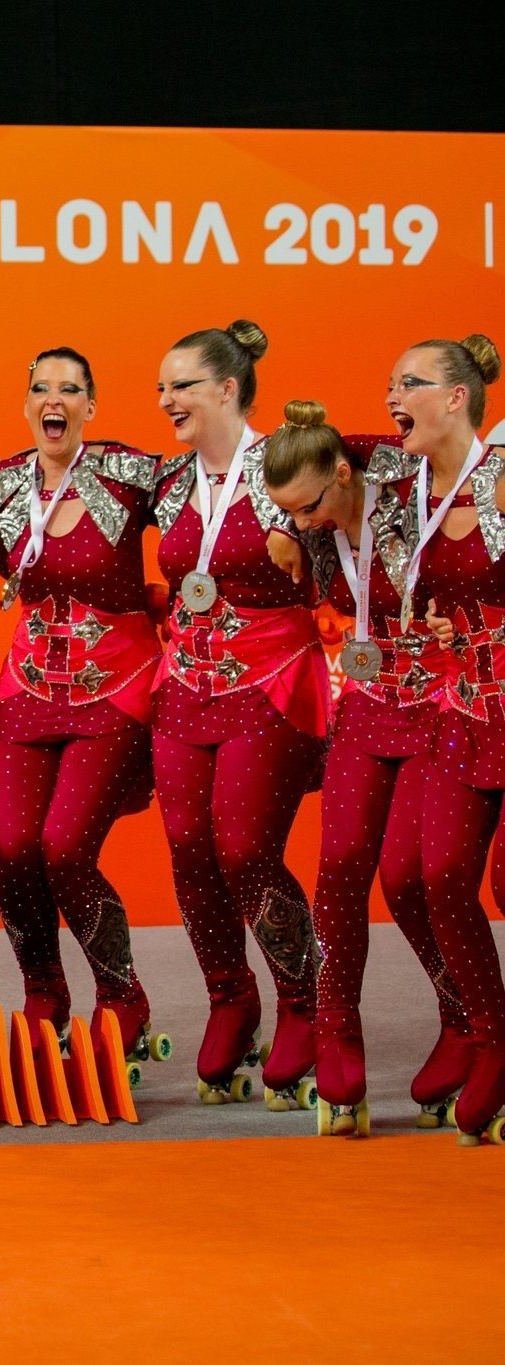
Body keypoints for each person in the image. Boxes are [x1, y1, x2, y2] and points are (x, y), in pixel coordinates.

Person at [264, 399, 467, 1135]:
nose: (309, 521)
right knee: (341, 862)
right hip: (367, 699)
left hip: (438, 699)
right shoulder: (310, 514)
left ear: (346, 473)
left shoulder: (402, 482)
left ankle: (464, 1019)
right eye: (295, 512)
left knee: (409, 876)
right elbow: (278, 487)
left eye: (313, 505)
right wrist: (283, 523)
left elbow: (425, 452)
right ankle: (335, 1030)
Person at [150, 321, 326, 1108]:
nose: (166, 399)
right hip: (184, 684)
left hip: (269, 679)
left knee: (245, 844)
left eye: (182, 384)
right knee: (189, 847)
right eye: (161, 387)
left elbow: (349, 540)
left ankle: (305, 1001)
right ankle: (231, 997)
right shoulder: (166, 480)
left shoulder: (287, 462)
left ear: (228, 388)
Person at [0, 348, 161, 1062]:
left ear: (92, 404)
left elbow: (211, 505)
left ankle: (122, 995)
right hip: (28, 688)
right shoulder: (1, 485)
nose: (53, 400)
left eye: (70, 389)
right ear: (26, 404)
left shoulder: (126, 474)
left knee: (64, 848)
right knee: (11, 849)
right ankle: (43, 996)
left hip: (113, 687)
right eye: (40, 389)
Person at [400, 334, 505, 1145]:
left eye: (411, 383)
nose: (394, 396)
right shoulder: (411, 490)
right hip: (459, 707)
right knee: (438, 876)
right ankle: (491, 1036)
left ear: (458, 397)